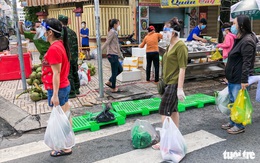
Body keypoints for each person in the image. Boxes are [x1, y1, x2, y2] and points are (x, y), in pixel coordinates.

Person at [41, 18, 73, 156]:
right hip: (64, 86)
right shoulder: (60, 45)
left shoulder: (54, 48)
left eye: (43, 30)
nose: (41, 32)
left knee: (60, 119)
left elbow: (56, 73)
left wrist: (54, 95)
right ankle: (67, 145)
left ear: (49, 32)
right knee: (65, 116)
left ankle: (62, 147)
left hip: (58, 89)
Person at [152, 26, 188, 150]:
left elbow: (183, 67)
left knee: (164, 111)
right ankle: (175, 137)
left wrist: (180, 88)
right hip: (167, 82)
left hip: (174, 83)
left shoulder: (180, 46)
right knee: (173, 111)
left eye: (166, 31)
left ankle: (165, 141)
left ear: (173, 33)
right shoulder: (169, 45)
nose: (163, 33)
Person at [222, 15, 258, 134]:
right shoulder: (241, 38)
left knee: (238, 102)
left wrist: (244, 80)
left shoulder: (247, 41)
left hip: (238, 78)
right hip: (233, 76)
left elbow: (247, 63)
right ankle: (233, 121)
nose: (233, 26)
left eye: (234, 23)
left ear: (241, 26)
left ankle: (239, 125)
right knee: (233, 101)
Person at [58, 15, 80, 98]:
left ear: (60, 22)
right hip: (74, 56)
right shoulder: (73, 32)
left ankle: (72, 92)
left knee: (69, 74)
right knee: (75, 72)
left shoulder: (61, 33)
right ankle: (77, 89)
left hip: (67, 56)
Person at [101, 19, 124, 93]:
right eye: (118, 24)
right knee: (114, 71)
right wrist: (99, 50)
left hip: (115, 54)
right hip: (112, 55)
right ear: (114, 24)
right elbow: (107, 42)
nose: (119, 25)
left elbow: (116, 45)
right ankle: (113, 88)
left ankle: (109, 81)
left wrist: (120, 54)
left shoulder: (114, 32)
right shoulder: (112, 32)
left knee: (120, 69)